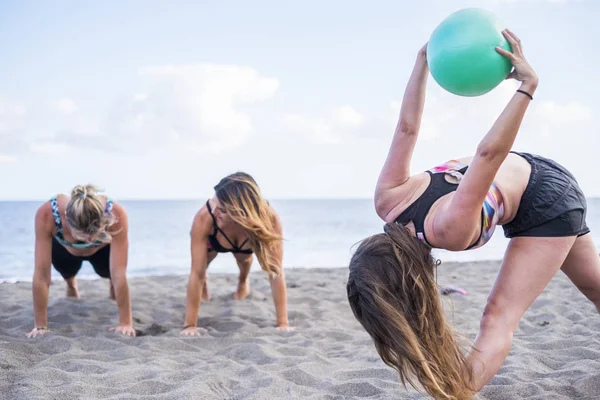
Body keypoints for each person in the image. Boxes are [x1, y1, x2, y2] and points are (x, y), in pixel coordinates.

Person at [346, 29, 600, 399]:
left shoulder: (442, 227)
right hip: (528, 186)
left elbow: (484, 155)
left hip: (546, 198)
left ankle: (454, 396)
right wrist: (420, 67)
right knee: (594, 286)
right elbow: (408, 128)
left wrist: (527, 86)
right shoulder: (388, 201)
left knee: (497, 318)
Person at [180, 172, 292, 335]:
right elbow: (195, 273)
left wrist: (283, 323)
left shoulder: (270, 219)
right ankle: (205, 286)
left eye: (223, 210)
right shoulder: (206, 216)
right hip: (215, 239)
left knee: (244, 259)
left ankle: (242, 281)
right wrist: (190, 325)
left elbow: (276, 272)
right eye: (215, 203)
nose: (216, 210)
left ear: (242, 211)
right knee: (202, 267)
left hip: (245, 240)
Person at [28, 184, 135, 338]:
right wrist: (40, 326)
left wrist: (126, 323)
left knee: (110, 273)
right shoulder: (47, 214)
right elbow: (41, 274)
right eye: (84, 235)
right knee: (66, 269)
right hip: (65, 249)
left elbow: (119, 272)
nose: (91, 240)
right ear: (67, 222)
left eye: (95, 233)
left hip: (103, 250)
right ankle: (71, 285)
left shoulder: (116, 213)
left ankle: (112, 289)